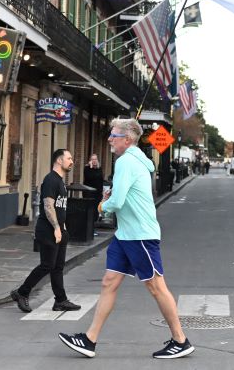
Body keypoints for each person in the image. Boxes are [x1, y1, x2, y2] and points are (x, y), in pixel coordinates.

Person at [59, 118, 194, 360]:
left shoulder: (126, 162)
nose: (110, 139)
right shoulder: (134, 161)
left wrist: (102, 205)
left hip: (140, 235)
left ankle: (180, 340)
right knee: (109, 282)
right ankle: (89, 340)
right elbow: (123, 195)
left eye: (115, 135)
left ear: (128, 139)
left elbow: (117, 202)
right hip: (125, 235)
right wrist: (114, 196)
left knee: (156, 286)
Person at [10, 149, 81, 314]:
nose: (72, 161)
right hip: (48, 230)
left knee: (57, 267)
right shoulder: (50, 180)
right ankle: (22, 292)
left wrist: (63, 228)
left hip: (59, 229)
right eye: (69, 158)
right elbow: (48, 206)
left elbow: (59, 206)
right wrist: (56, 227)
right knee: (47, 265)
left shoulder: (61, 181)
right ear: (58, 160)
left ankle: (60, 301)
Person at [83, 153, 104, 225]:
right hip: (89, 193)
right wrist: (91, 167)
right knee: (89, 210)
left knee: (96, 210)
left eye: (95, 159)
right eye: (92, 159)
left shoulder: (99, 168)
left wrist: (102, 192)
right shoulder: (87, 168)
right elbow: (89, 177)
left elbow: (100, 179)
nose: (94, 161)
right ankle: (88, 227)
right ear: (90, 160)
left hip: (97, 193)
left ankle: (94, 226)